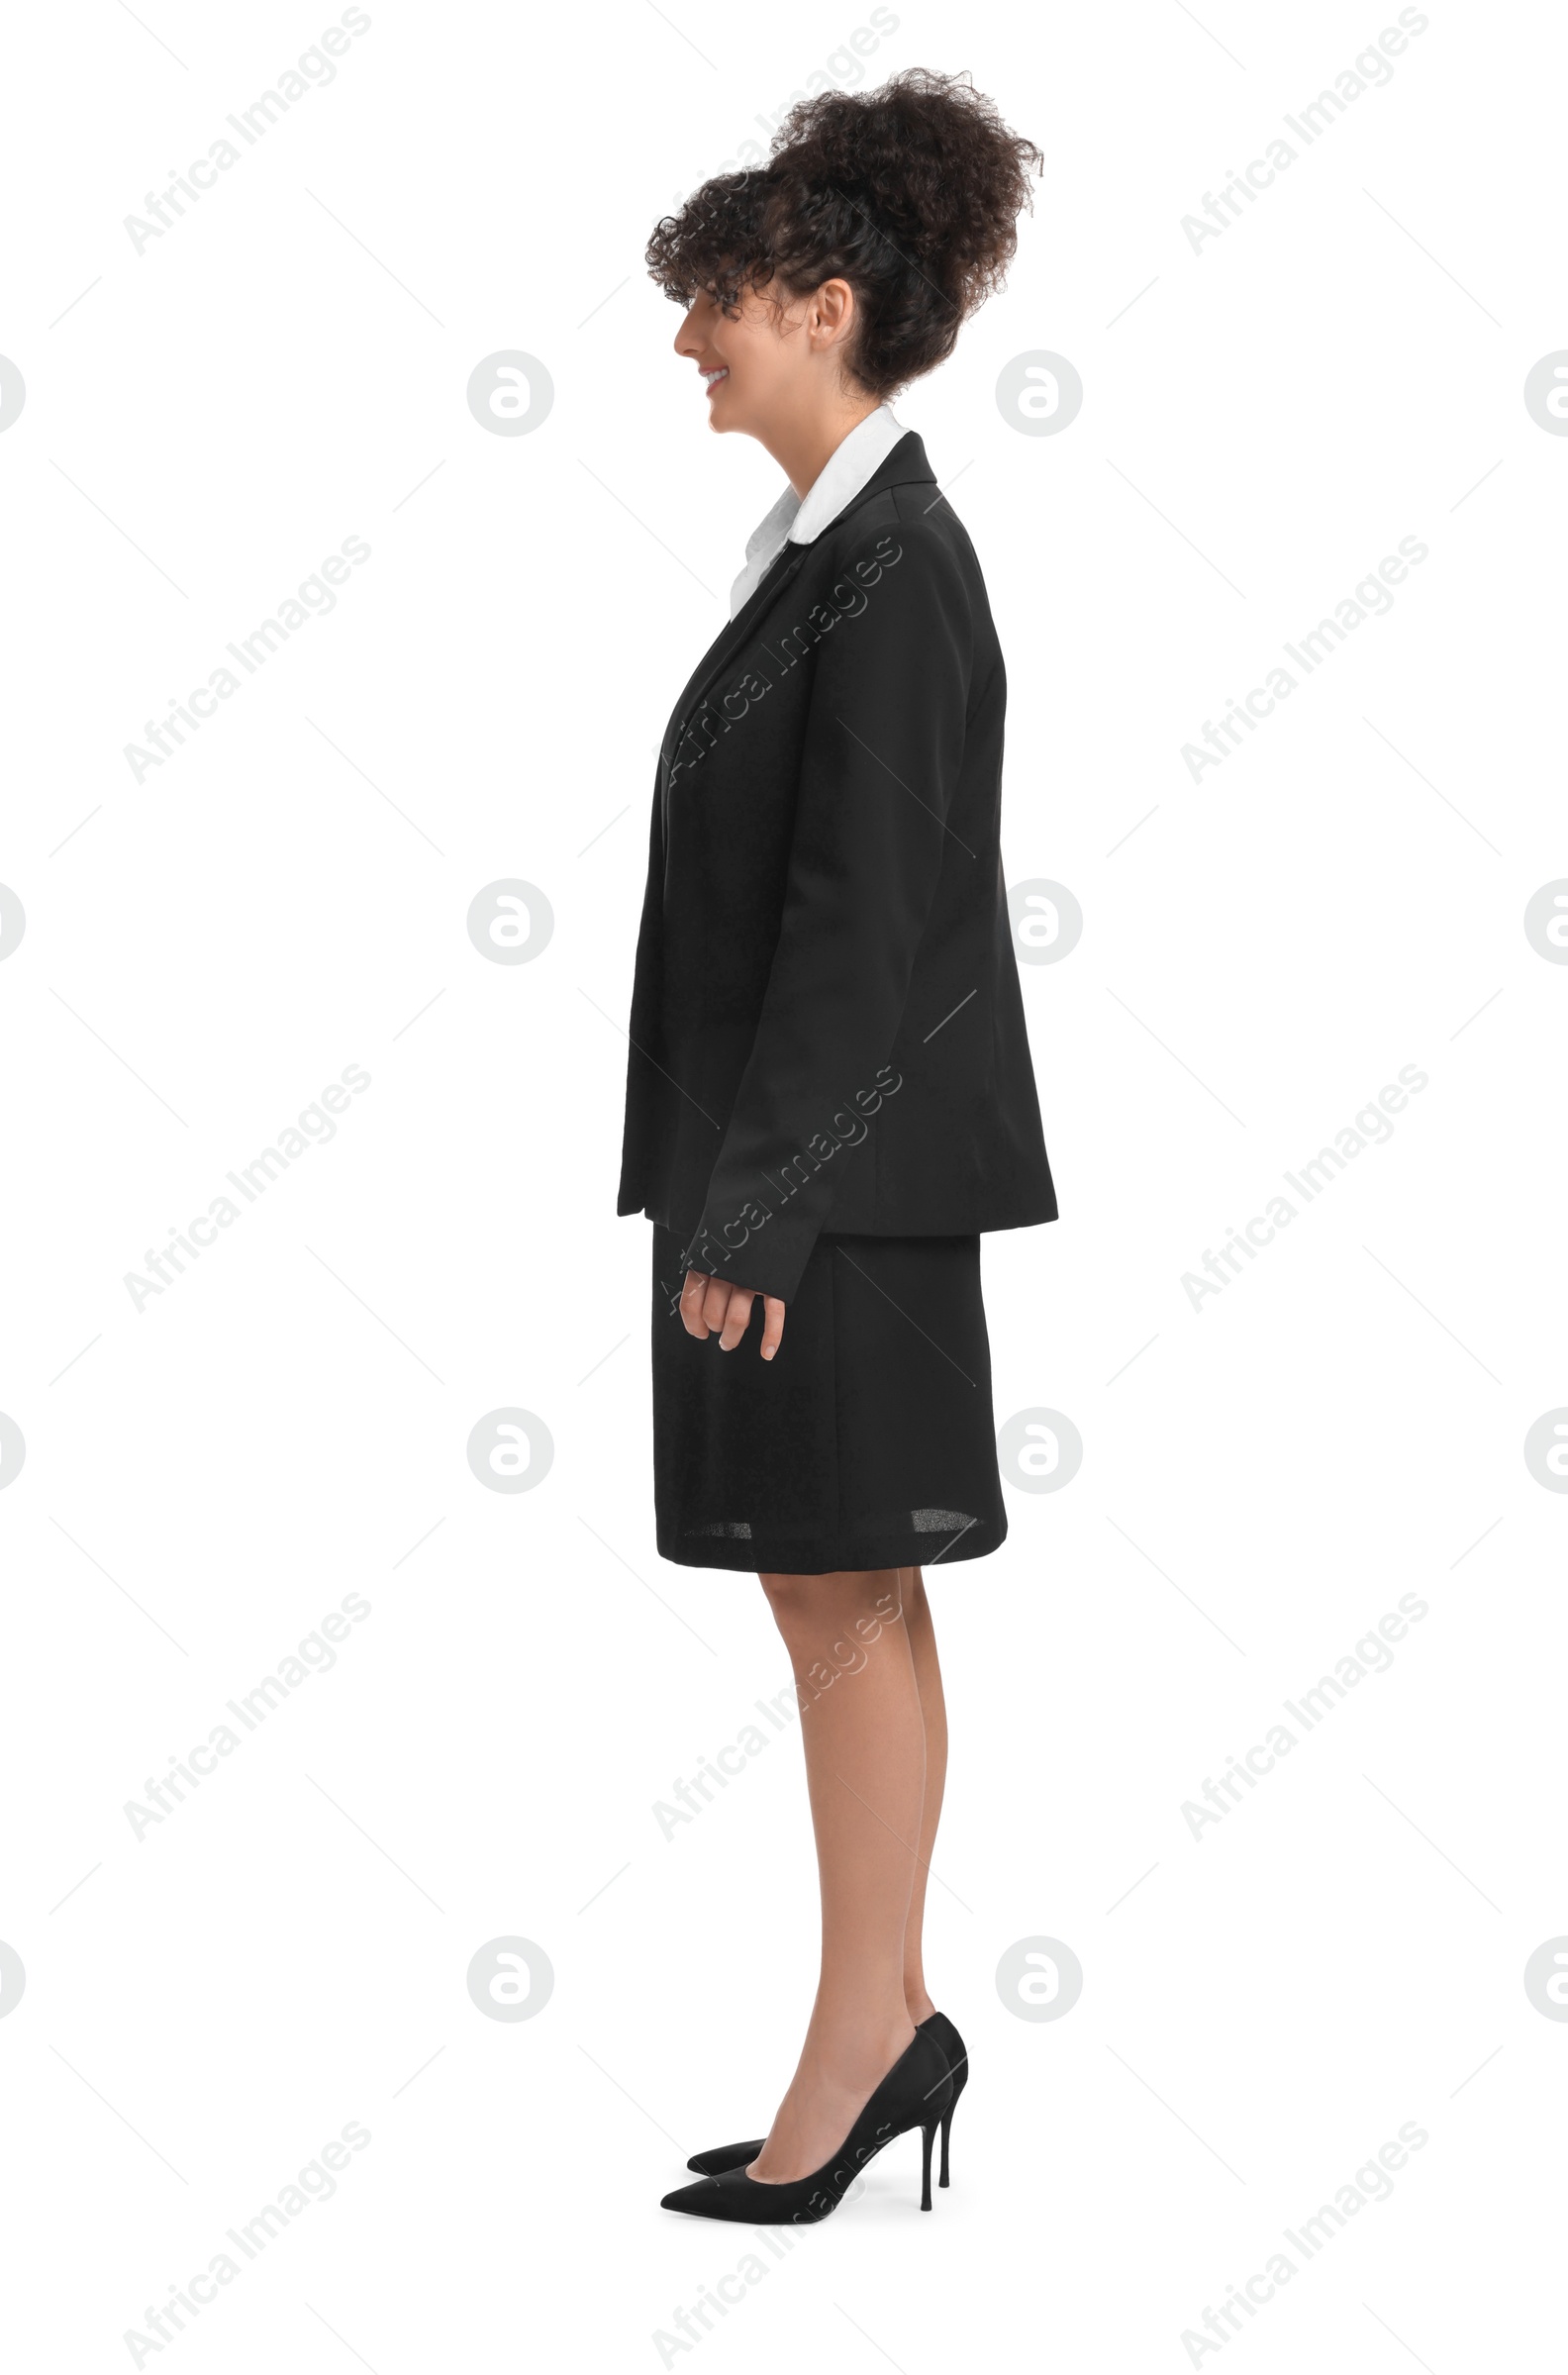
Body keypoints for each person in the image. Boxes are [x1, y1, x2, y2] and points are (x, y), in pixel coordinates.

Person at [617, 68, 1058, 2223]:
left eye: (710, 300)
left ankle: (859, 2049)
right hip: (820, 1173)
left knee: (839, 1603)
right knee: (848, 1595)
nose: (684, 339)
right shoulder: (835, 548)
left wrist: (761, 1201)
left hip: (836, 1186)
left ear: (813, 300)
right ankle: (881, 2023)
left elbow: (859, 924)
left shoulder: (888, 565)